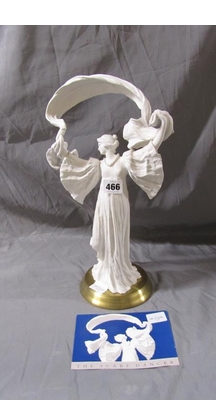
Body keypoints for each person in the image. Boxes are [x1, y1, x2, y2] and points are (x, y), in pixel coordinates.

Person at [47, 123, 167, 294]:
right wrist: (63, 150)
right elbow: (77, 164)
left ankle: (119, 266)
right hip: (104, 204)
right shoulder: (99, 164)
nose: (98, 147)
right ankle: (107, 265)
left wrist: (162, 127)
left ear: (107, 146)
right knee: (104, 234)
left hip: (119, 204)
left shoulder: (124, 161)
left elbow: (148, 151)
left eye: (100, 144)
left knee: (117, 234)